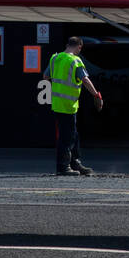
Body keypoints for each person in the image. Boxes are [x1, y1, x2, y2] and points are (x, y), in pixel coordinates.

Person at [49, 36, 103, 176]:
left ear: (67, 45)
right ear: (79, 47)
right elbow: (85, 80)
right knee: (67, 137)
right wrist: (96, 95)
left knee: (73, 135)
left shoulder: (55, 58)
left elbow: (45, 76)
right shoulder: (75, 61)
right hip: (68, 105)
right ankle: (63, 167)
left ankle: (75, 163)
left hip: (57, 104)